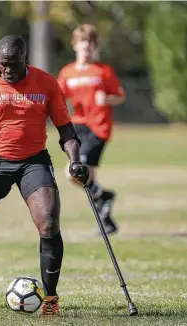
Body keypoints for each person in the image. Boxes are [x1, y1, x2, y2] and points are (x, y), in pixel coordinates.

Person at [0, 35, 89, 317]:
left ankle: (51, 300)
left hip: (34, 161)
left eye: (12, 65)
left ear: (26, 60)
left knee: (48, 223)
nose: (6, 70)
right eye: (2, 65)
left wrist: (75, 161)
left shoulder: (46, 84)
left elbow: (67, 131)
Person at [57, 24, 126, 235]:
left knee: (75, 172)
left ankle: (104, 201)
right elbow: (58, 96)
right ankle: (106, 220)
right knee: (87, 178)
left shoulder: (103, 71)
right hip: (77, 126)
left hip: (98, 127)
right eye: (82, 46)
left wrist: (106, 98)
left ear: (94, 47)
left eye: (89, 46)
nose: (85, 50)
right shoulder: (67, 72)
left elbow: (120, 95)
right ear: (75, 46)